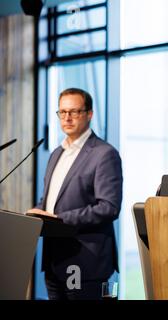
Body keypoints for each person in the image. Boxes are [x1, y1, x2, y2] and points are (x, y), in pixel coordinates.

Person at [27, 88, 123, 300]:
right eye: (62, 112)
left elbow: (109, 207)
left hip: (86, 261)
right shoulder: (56, 154)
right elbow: (50, 200)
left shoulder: (104, 154)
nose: (67, 118)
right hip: (54, 260)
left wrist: (60, 219)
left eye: (74, 112)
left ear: (89, 114)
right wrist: (37, 212)